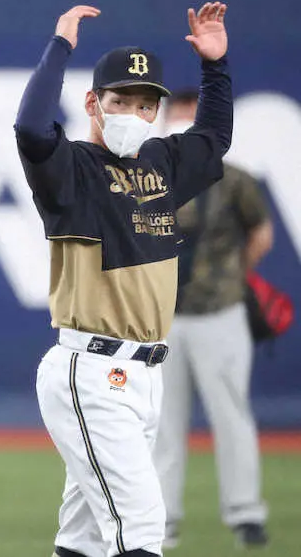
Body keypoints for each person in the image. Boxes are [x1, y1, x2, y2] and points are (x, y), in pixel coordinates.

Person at [17, 2, 232, 557]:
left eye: (145, 104)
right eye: (119, 101)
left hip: (144, 375)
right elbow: (31, 127)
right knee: (140, 525)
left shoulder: (161, 163)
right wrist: (61, 45)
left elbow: (212, 139)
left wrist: (215, 67)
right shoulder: (71, 171)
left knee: (86, 539)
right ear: (93, 103)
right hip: (93, 372)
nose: (133, 113)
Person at [152, 90, 272, 550]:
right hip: (161, 317)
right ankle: (160, 518)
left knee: (231, 414)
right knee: (161, 422)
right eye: (177, 119)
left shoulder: (233, 178)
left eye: (191, 119)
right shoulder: (150, 178)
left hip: (220, 311)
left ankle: (245, 513)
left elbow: (261, 232)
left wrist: (233, 276)